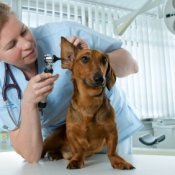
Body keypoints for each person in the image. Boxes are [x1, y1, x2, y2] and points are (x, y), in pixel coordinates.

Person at [0, 2, 143, 163]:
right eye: (12, 45)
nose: (26, 44)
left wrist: (91, 62)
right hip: (63, 143)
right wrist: (28, 103)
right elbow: (31, 155)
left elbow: (132, 65)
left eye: (24, 31)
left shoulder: (63, 35)